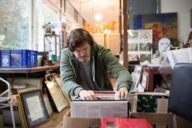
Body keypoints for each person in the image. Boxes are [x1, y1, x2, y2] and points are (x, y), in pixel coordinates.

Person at [60, 28, 132, 100]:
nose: (82, 54)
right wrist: (80, 91)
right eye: (78, 51)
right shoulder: (66, 54)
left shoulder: (101, 52)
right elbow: (67, 81)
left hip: (104, 98)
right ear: (71, 51)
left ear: (90, 45)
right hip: (80, 98)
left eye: (85, 49)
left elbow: (121, 71)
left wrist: (123, 86)